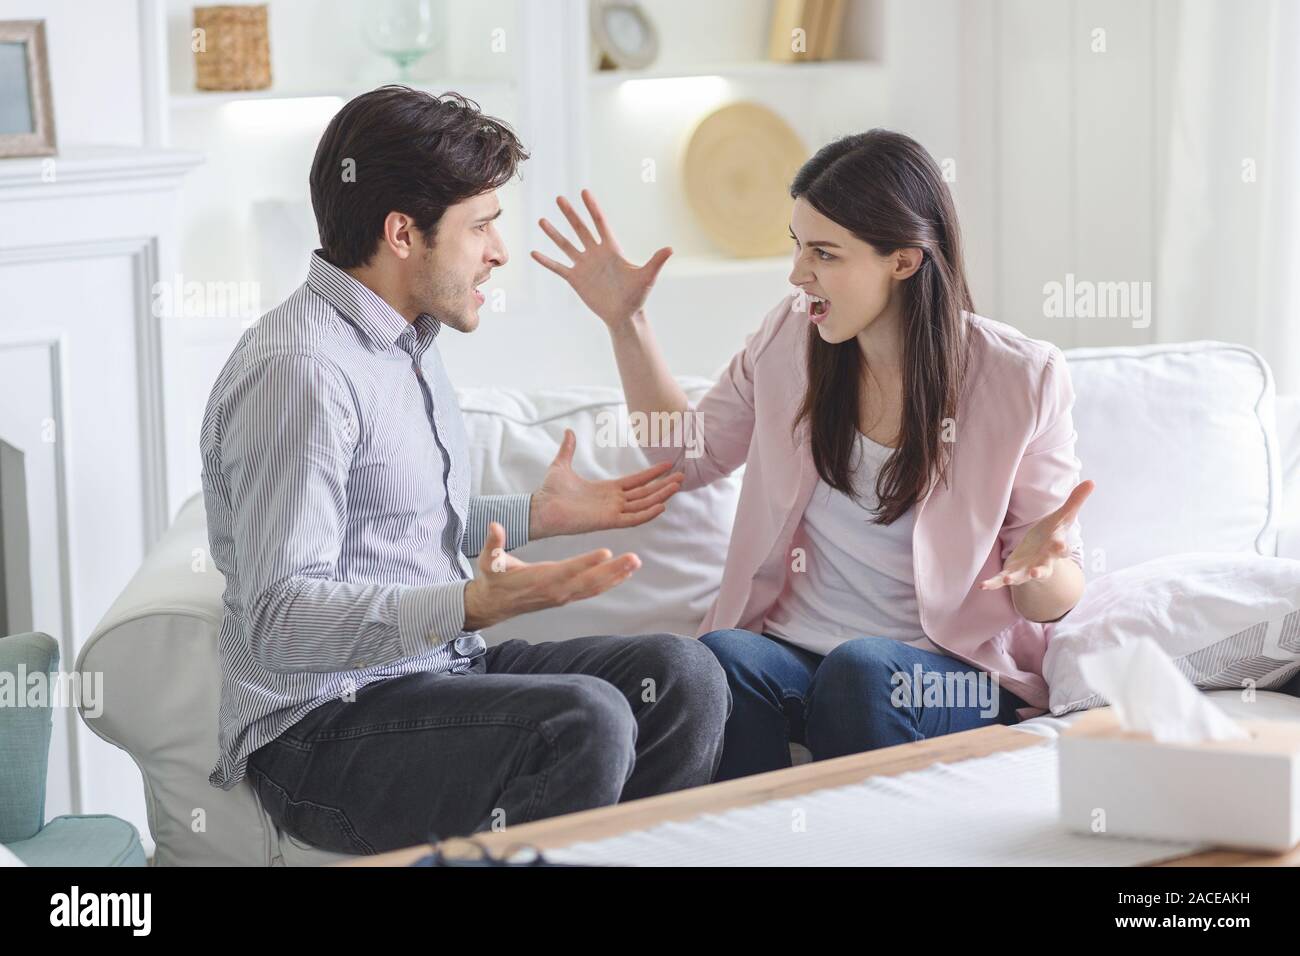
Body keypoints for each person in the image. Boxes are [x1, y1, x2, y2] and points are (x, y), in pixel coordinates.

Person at [200, 86, 729, 854]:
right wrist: (469, 605)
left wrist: (535, 516)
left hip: (433, 678)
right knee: (588, 720)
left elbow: (388, 521)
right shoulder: (302, 373)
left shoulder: (404, 342)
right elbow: (280, 617)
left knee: (685, 675)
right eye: (481, 226)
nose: (498, 251)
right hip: (319, 733)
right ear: (402, 233)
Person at [532, 128, 1093, 780]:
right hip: (796, 653)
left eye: (824, 254)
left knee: (861, 671)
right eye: (798, 246)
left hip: (948, 673)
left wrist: (1039, 571)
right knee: (724, 656)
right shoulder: (791, 337)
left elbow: (1050, 600)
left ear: (903, 261)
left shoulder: (1021, 378)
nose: (799, 274)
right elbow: (691, 455)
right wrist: (625, 322)